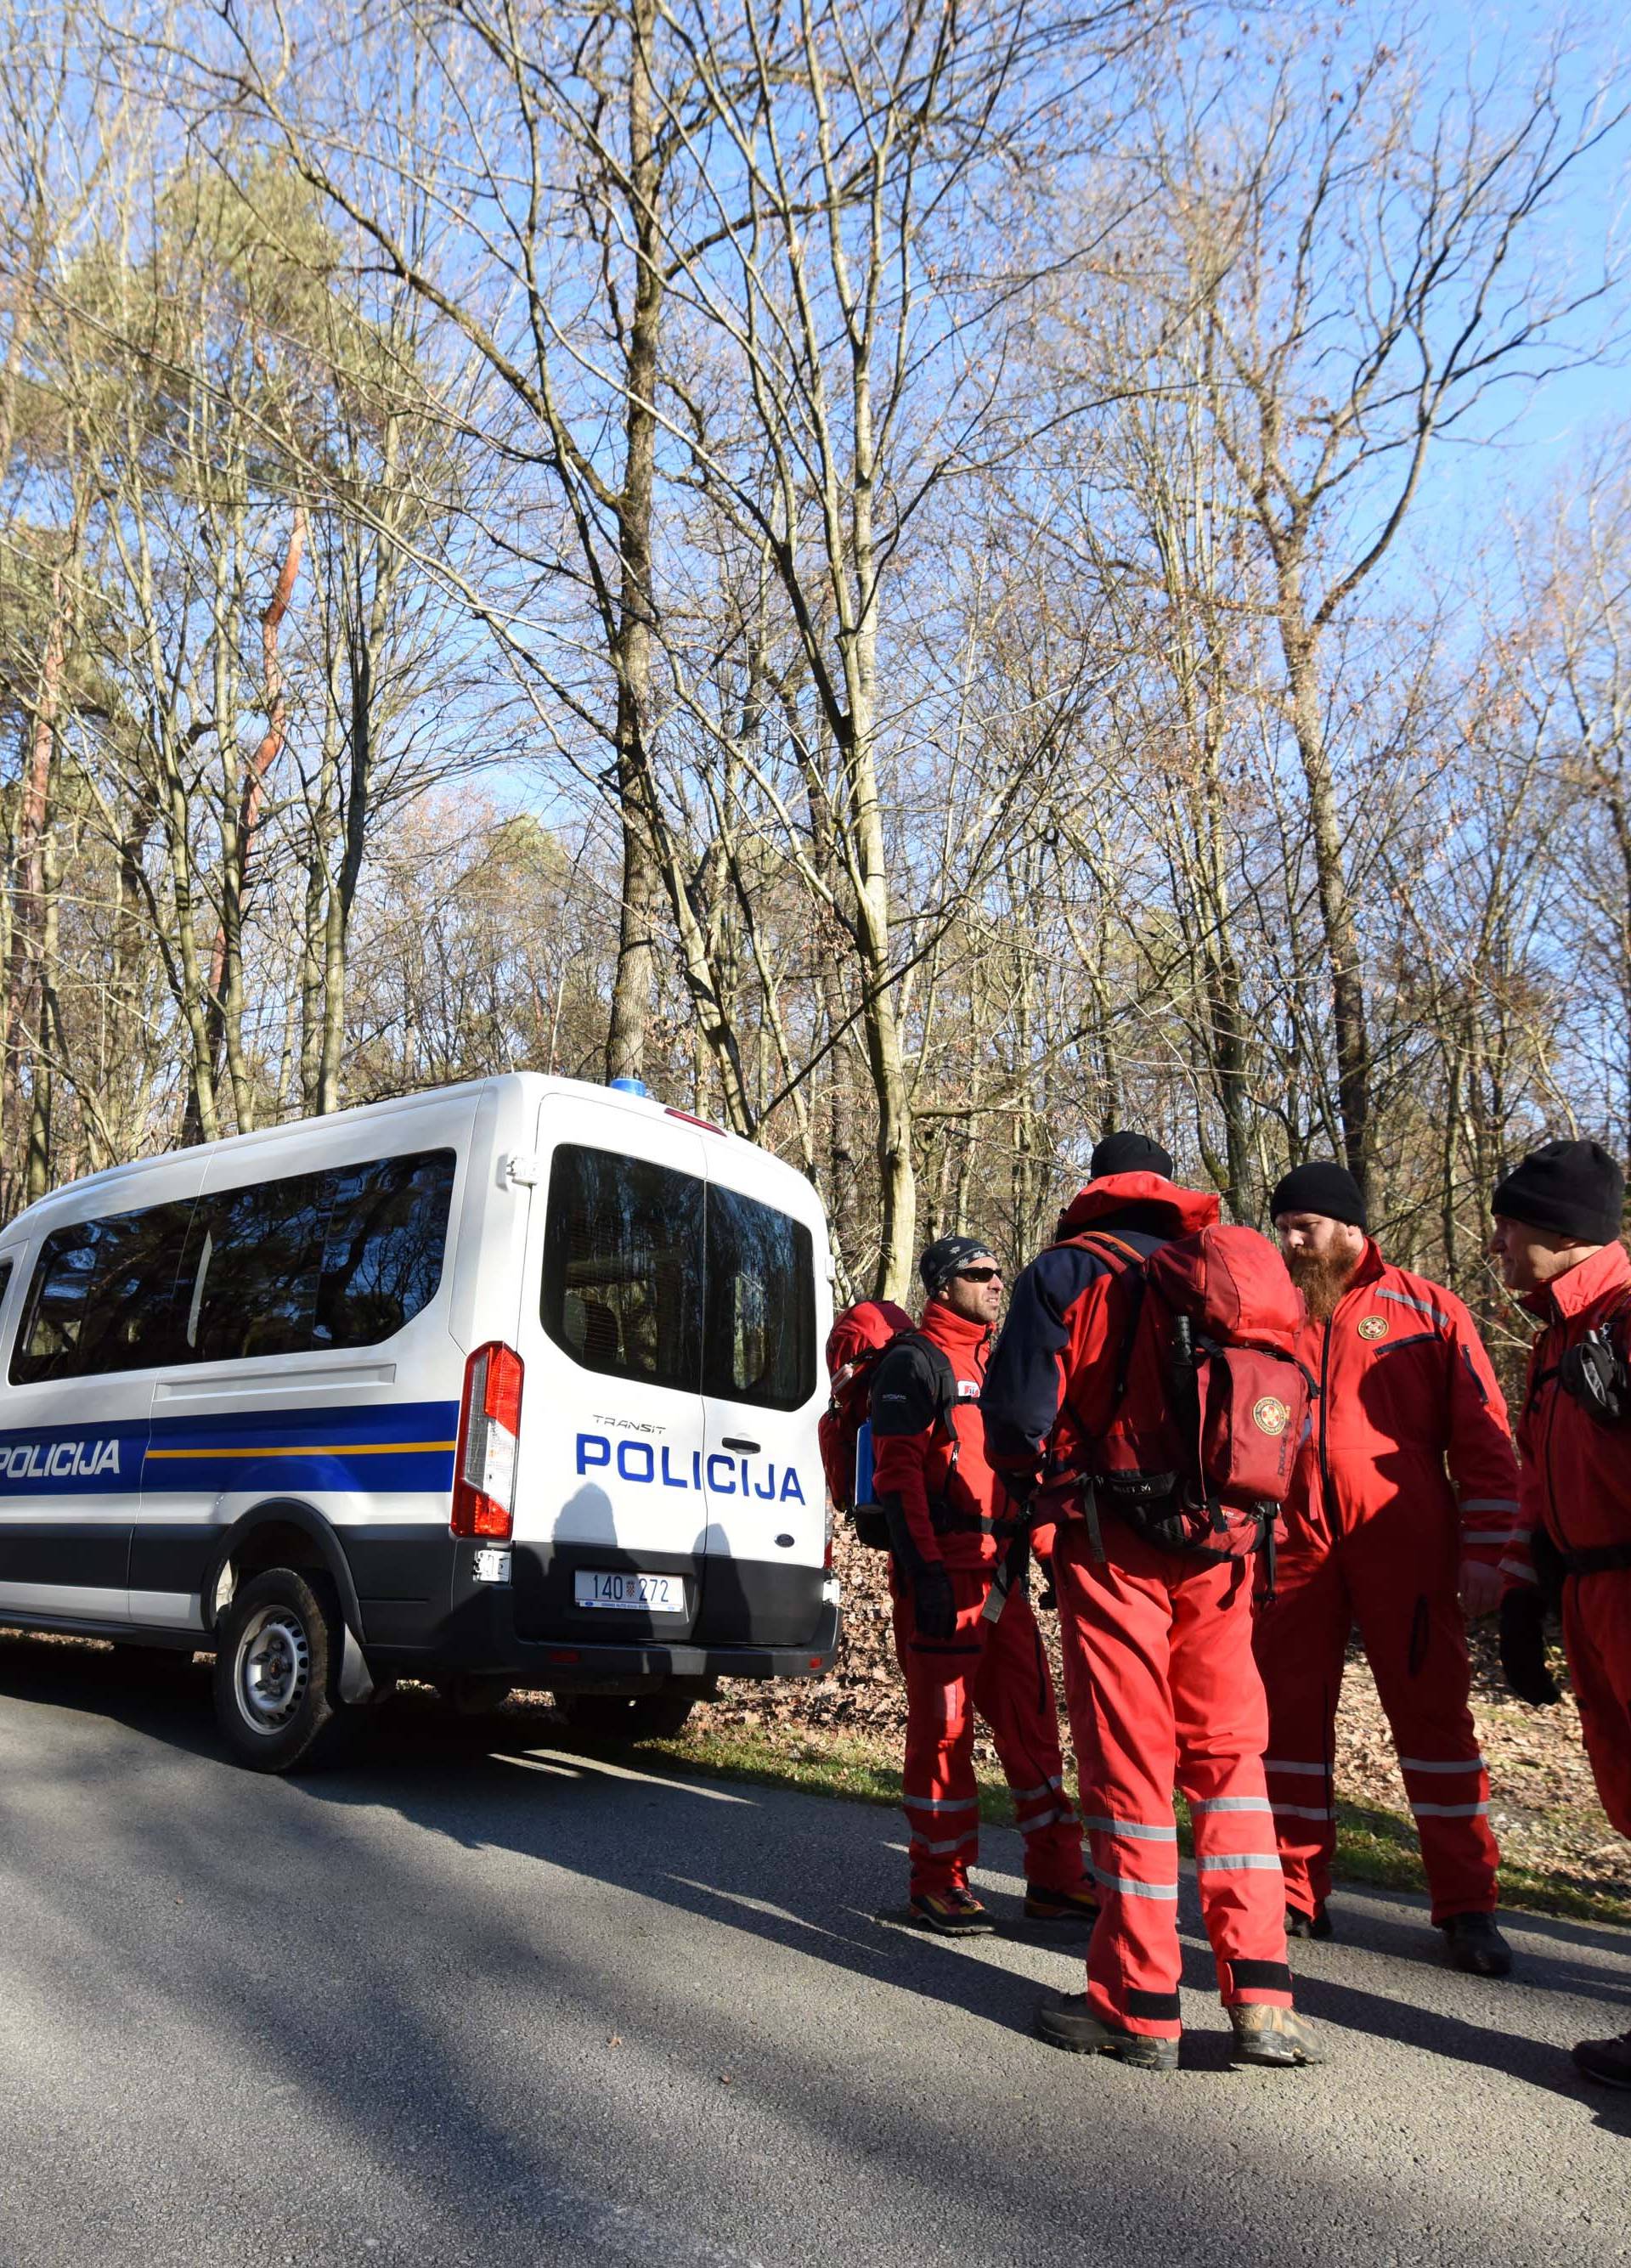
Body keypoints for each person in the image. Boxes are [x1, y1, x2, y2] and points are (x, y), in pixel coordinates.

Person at [982, 1133, 1323, 2071]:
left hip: (1114, 1545)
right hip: (1223, 1547)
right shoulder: (1229, 1271)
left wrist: (1037, 1500)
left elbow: (1015, 1421)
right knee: (1230, 1760)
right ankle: (1262, 2000)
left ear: (1096, 1188)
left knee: (1131, 1768)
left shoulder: (1066, 1273)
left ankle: (1139, 2003)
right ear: (1167, 1191)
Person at [1256, 1161, 1519, 1977]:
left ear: (1348, 1228)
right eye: (1283, 1227)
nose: (1289, 1242)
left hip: (1406, 1540)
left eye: (1304, 1228)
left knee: (1434, 1720)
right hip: (1291, 1543)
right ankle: (1295, 1891)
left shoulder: (1427, 1309)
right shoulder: (1270, 1311)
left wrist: (1487, 1551)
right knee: (1286, 1722)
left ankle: (1468, 1904)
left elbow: (1484, 1442)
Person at [870, 1231, 1093, 1935]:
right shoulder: (914, 1363)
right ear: (942, 1286)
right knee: (944, 1733)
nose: (998, 1283)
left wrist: (1051, 1553)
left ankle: (1055, 1876)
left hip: (1003, 1582)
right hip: (943, 1581)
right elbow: (897, 1476)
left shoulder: (1002, 1365)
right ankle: (938, 1880)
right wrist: (926, 1571)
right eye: (980, 1273)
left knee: (1033, 1730)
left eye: (1001, 1273)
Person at [1489, 1138, 1631, 2088]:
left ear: (1558, 1231)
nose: (1497, 1244)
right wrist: (1524, 1591)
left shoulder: (1625, 1319)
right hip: (1586, 1591)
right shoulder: (1555, 1338)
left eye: (1507, 1227)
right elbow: (1540, 1478)